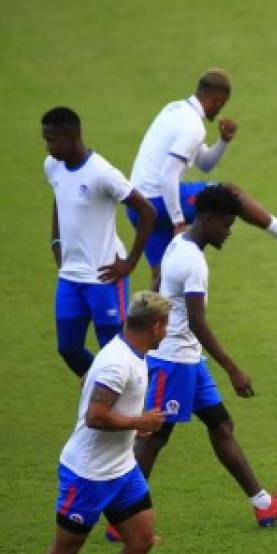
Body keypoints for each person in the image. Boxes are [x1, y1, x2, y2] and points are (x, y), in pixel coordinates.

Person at [129, 185, 277, 536]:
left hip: (189, 359)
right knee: (153, 439)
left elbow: (159, 281)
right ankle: (124, 517)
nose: (229, 231)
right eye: (226, 224)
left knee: (221, 426)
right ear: (208, 218)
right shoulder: (192, 260)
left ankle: (263, 505)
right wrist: (233, 368)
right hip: (173, 362)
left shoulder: (179, 243)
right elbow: (196, 320)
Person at [26, 291, 170, 554]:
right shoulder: (116, 363)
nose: (166, 331)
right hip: (87, 475)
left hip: (122, 469)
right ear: (155, 326)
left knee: (141, 540)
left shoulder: (128, 353)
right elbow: (94, 416)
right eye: (165, 325)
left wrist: (128, 425)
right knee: (65, 551)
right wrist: (139, 421)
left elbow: (92, 390)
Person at [127, 68, 277, 287]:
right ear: (216, 99)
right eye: (223, 103)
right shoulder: (193, 126)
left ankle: (148, 322)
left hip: (136, 206)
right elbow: (167, 176)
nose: (221, 109)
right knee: (229, 193)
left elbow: (205, 164)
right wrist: (178, 221)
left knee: (161, 277)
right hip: (159, 201)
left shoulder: (174, 110)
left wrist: (224, 141)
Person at [42, 106, 156, 377]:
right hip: (70, 276)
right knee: (68, 347)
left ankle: (134, 396)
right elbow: (61, 198)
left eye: (52, 140)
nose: (48, 148)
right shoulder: (52, 166)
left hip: (104, 277)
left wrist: (129, 263)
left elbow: (147, 211)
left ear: (71, 135)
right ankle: (101, 386)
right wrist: (56, 241)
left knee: (116, 349)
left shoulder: (102, 173)